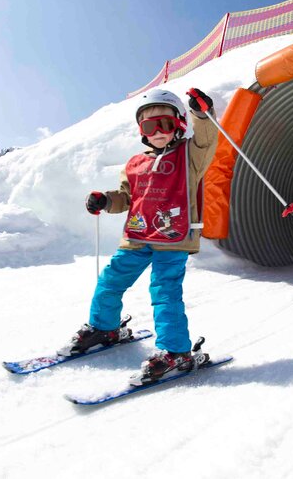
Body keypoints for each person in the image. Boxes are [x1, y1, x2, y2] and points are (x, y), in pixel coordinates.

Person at [58, 88, 218, 385]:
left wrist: (201, 113)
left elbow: (207, 140)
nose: (157, 132)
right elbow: (124, 197)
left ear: (179, 125)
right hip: (137, 235)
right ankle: (104, 327)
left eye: (165, 124)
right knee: (110, 280)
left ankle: (175, 351)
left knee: (164, 291)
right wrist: (106, 200)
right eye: (149, 126)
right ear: (141, 131)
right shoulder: (134, 164)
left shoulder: (189, 155)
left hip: (173, 238)